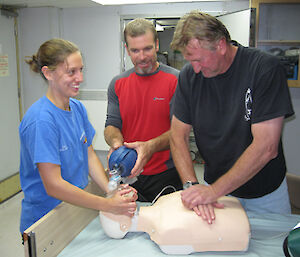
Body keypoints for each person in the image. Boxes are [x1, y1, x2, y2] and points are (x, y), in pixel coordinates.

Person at [169, 11, 294, 224]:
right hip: (216, 191)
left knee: (273, 249)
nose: (195, 69)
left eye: (199, 60)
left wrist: (213, 191)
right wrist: (192, 187)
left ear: (220, 45)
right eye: (190, 61)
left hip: (264, 193)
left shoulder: (263, 69)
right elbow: (177, 136)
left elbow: (266, 147)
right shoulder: (189, 77)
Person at [19, 38, 137, 235]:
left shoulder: (77, 108)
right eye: (71, 72)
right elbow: (54, 185)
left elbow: (89, 155)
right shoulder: (41, 121)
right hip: (46, 219)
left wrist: (112, 192)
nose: (80, 78)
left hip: (75, 206)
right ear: (48, 73)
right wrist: (107, 205)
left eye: (81, 70)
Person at [104, 18, 182, 202]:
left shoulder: (176, 81)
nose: (142, 56)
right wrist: (116, 143)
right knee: (129, 226)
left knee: (166, 228)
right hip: (128, 173)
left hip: (165, 173)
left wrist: (150, 147)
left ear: (156, 45)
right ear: (127, 49)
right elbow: (111, 125)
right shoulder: (117, 84)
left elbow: (180, 132)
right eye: (135, 50)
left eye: (147, 48)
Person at [99, 191, 250, 254]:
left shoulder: (163, 207)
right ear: (123, 227)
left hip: (235, 214)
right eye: (117, 211)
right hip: (237, 223)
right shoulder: (165, 234)